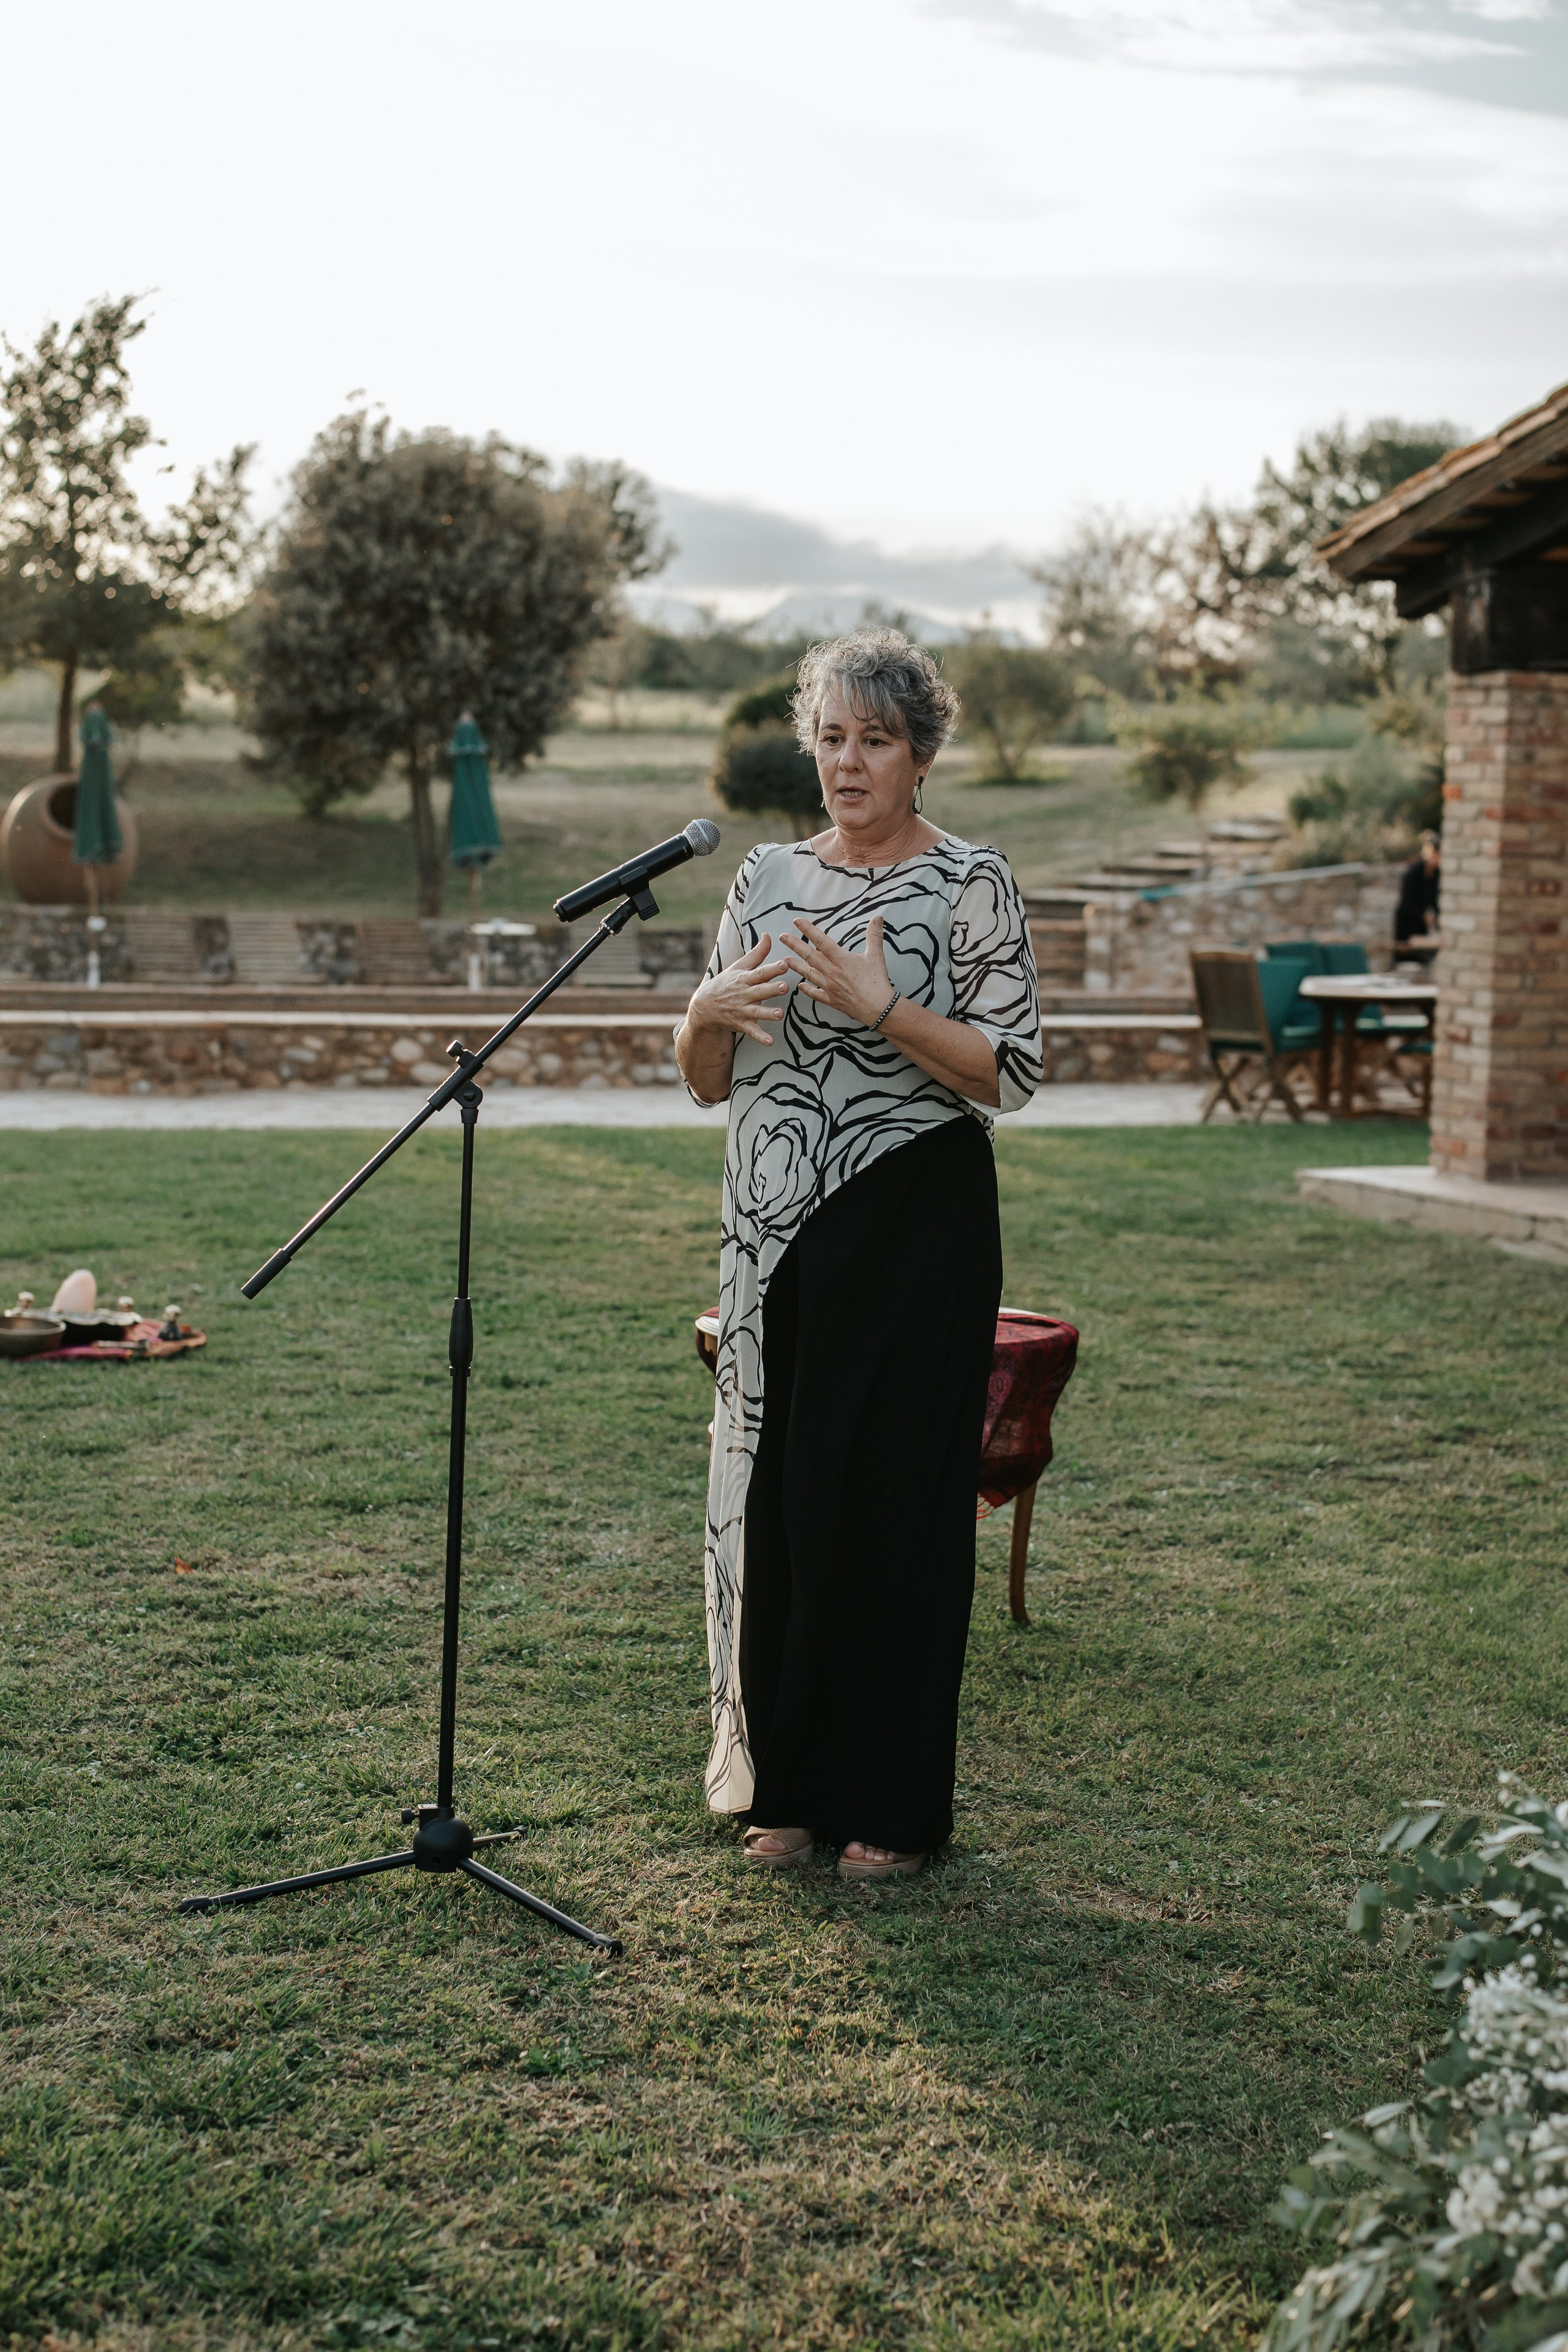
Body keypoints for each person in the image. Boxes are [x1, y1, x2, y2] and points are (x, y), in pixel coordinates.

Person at [674, 629, 1042, 1882]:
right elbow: (706, 1081)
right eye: (829, 737)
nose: (845, 761)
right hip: (773, 1229)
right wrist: (697, 1018)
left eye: (872, 740)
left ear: (920, 755)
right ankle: (784, 1788)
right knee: (785, 1497)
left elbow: (1007, 1073)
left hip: (913, 1222)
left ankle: (888, 1806)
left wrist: (880, 1006)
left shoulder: (969, 884)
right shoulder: (764, 879)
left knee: (893, 1506)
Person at [1395, 831, 1441, 944]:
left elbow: (1435, 900)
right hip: (1407, 923)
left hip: (1421, 926)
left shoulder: (1436, 875)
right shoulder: (1414, 873)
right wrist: (1424, 915)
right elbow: (1408, 903)